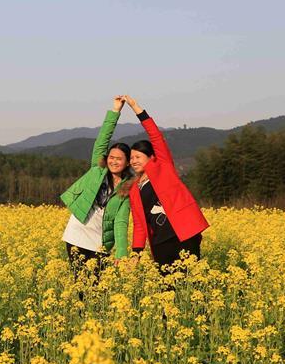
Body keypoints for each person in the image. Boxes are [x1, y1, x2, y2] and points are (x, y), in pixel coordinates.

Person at [122, 96, 209, 268]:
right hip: (159, 243)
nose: (133, 161)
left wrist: (135, 107)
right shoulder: (134, 189)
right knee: (166, 289)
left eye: (138, 157)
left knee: (191, 281)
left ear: (151, 157)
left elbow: (156, 137)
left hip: (184, 234)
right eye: (131, 158)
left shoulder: (163, 168)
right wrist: (136, 253)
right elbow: (139, 224)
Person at [60, 96, 133, 282]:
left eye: (119, 159)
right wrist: (115, 111)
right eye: (112, 157)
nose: (114, 161)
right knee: (81, 285)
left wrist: (122, 254)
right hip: (77, 234)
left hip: (100, 241)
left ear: (126, 163)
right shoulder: (97, 169)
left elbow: (121, 222)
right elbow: (102, 140)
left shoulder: (126, 189)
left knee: (99, 288)